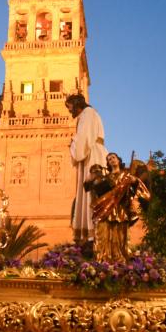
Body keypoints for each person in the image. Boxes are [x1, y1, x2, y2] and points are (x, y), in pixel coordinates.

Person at [86, 153, 150, 262]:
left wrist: (135, 181)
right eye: (109, 159)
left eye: (113, 158)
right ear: (108, 163)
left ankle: (119, 260)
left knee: (119, 236)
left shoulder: (126, 175)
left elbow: (137, 187)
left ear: (118, 160)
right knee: (103, 233)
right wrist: (92, 181)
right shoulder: (106, 177)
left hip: (120, 209)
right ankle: (103, 258)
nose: (111, 160)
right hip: (105, 208)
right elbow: (95, 189)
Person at [65, 93, 108, 245]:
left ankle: (92, 235)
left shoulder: (87, 114)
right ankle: (89, 233)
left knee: (91, 193)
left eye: (71, 108)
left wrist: (72, 144)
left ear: (77, 105)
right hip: (94, 153)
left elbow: (83, 139)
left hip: (92, 156)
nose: (71, 112)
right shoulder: (91, 114)